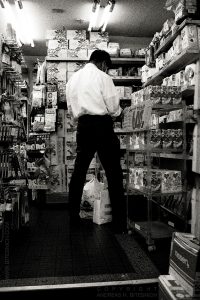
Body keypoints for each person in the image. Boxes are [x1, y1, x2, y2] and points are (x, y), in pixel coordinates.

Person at [66, 49, 126, 233]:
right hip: (102, 126)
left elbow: (71, 110)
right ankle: (119, 223)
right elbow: (114, 107)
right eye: (107, 67)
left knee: (79, 171)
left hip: (83, 127)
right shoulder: (103, 77)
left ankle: (73, 217)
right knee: (113, 172)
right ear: (103, 63)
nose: (107, 71)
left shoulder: (72, 80)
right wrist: (117, 113)